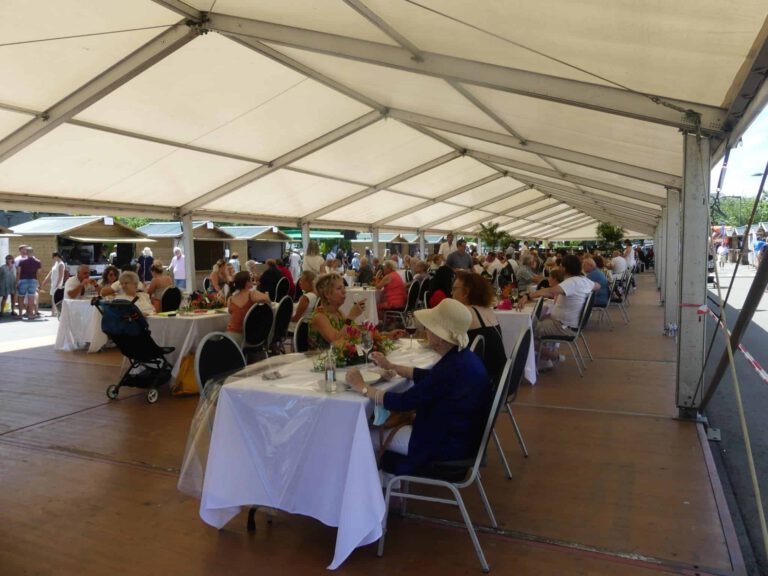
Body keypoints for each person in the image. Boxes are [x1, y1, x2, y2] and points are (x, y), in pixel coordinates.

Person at [345, 298, 491, 476]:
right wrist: (392, 366)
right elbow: (428, 378)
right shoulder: (463, 358)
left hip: (443, 446)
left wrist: (362, 387)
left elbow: (402, 402)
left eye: (429, 328)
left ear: (439, 337)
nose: (425, 331)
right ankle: (388, 485)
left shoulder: (450, 368)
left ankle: (376, 492)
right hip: (462, 438)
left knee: (364, 434)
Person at [518, 255, 599, 372]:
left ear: (565, 268)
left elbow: (550, 291)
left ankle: (552, 357)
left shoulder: (571, 282)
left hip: (562, 326)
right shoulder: (584, 281)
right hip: (570, 325)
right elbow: (598, 286)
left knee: (525, 333)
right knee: (536, 322)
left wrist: (527, 295)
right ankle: (545, 361)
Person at [452, 271, 507, 387]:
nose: (451, 292)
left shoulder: (465, 312)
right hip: (500, 381)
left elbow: (439, 342)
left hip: (478, 385)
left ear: (466, 292)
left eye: (454, 288)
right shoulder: (488, 310)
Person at [308, 273, 366, 350]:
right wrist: (351, 316)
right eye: (339, 288)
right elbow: (336, 341)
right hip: (319, 359)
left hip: (337, 358)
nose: (344, 291)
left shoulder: (338, 313)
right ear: (327, 294)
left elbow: (353, 333)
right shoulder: (319, 316)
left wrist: (366, 332)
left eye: (344, 288)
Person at [225, 271, 271, 345]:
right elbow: (268, 300)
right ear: (247, 283)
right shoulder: (252, 294)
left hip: (233, 333)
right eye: (251, 279)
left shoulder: (230, 299)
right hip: (247, 335)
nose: (253, 281)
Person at [16, 246, 42, 320]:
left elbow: (18, 272)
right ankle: (30, 315)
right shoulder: (38, 261)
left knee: (21, 297)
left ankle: (20, 314)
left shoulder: (22, 261)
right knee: (31, 298)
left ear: (26, 252)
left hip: (23, 280)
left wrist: (17, 282)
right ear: (33, 252)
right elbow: (39, 274)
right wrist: (40, 283)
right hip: (33, 280)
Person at [42, 252, 66, 317]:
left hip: (57, 284)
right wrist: (45, 280)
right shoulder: (56, 263)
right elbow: (51, 273)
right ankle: (54, 312)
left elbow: (61, 276)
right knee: (53, 297)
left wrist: (58, 284)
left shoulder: (61, 264)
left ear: (56, 256)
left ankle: (54, 312)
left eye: (53, 257)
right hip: (53, 283)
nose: (53, 258)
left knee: (55, 298)